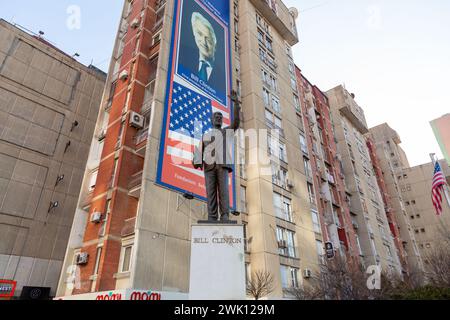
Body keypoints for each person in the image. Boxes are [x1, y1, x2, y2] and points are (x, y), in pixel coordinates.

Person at [193, 91, 241, 222]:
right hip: (209, 167)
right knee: (211, 192)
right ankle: (212, 216)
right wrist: (197, 161)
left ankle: (224, 215)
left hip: (222, 166)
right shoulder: (205, 135)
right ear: (212, 120)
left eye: (220, 117)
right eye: (216, 117)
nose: (219, 118)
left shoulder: (226, 131)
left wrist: (236, 103)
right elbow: (199, 150)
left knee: (223, 192)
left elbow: (236, 122)